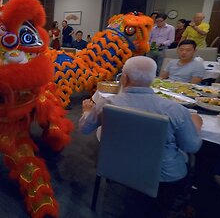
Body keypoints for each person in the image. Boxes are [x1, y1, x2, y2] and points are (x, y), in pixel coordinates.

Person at [80, 56, 202, 217]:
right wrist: (197, 125)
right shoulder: (175, 110)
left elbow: (85, 128)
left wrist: (87, 112)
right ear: (153, 79)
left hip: (118, 169)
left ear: (124, 78)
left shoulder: (108, 104)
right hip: (164, 179)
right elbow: (191, 146)